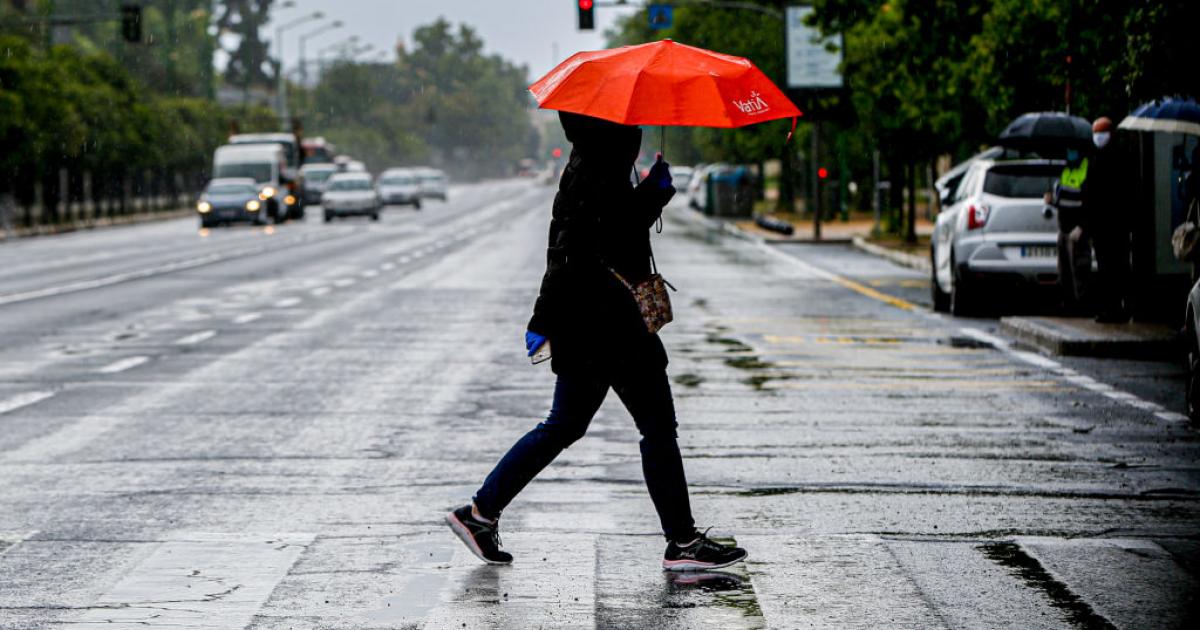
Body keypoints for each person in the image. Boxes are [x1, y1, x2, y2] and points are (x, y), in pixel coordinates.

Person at [446, 111, 748, 572]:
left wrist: (649, 192)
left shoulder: (587, 164)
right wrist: (654, 192)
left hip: (594, 327)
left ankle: (480, 513)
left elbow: (586, 241)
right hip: (606, 327)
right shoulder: (597, 171)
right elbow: (596, 240)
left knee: (570, 425)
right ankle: (681, 542)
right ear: (612, 129)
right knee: (651, 427)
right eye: (629, 125)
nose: (635, 131)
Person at [1085, 117, 1131, 323]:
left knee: (1116, 267)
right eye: (1095, 132)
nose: (1098, 137)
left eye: (1101, 132)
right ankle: (1108, 308)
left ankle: (1117, 308)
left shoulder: (1118, 157)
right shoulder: (1095, 157)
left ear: (1110, 133)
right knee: (1105, 268)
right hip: (1100, 225)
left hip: (1115, 224)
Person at [1049, 142, 1092, 313]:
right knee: (1064, 271)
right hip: (1064, 228)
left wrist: (1082, 226)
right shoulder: (1065, 170)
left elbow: (1091, 201)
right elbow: (1062, 199)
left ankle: (1083, 308)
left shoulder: (1086, 168)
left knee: (1080, 270)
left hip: (1078, 231)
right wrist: (1051, 200)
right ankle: (1068, 305)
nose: (1070, 153)